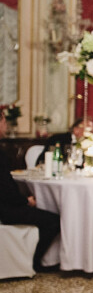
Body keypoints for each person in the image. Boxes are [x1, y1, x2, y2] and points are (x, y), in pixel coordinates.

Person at [0, 112, 61, 271]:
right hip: (4, 210)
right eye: (4, 122)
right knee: (53, 221)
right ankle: (34, 262)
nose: (5, 126)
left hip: (4, 205)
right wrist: (27, 201)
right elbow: (6, 191)